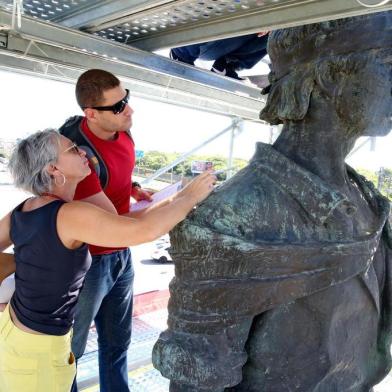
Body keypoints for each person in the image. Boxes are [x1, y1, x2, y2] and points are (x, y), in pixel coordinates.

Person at [153, 11, 392, 391]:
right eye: (387, 63)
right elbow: (196, 382)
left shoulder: (368, 202)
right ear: (331, 76)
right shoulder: (233, 219)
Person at [0, 129, 215, 392]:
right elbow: (142, 231)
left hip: (15, 331)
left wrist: (23, 264)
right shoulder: (70, 213)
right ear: (54, 168)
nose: (83, 153)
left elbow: (128, 223)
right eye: (72, 149)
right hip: (39, 352)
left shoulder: (24, 209)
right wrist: (191, 196)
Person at [58, 69, 152, 392]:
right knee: (69, 352)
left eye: (127, 99)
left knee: (117, 345)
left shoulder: (123, 131)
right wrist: (179, 203)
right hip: (89, 264)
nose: (129, 109)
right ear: (91, 114)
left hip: (119, 258)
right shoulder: (79, 159)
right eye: (118, 106)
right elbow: (115, 226)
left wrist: (136, 190)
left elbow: (121, 174)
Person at [170, 33, 268, 80]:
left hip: (225, 46)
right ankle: (181, 53)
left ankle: (225, 66)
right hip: (204, 41)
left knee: (279, 30)